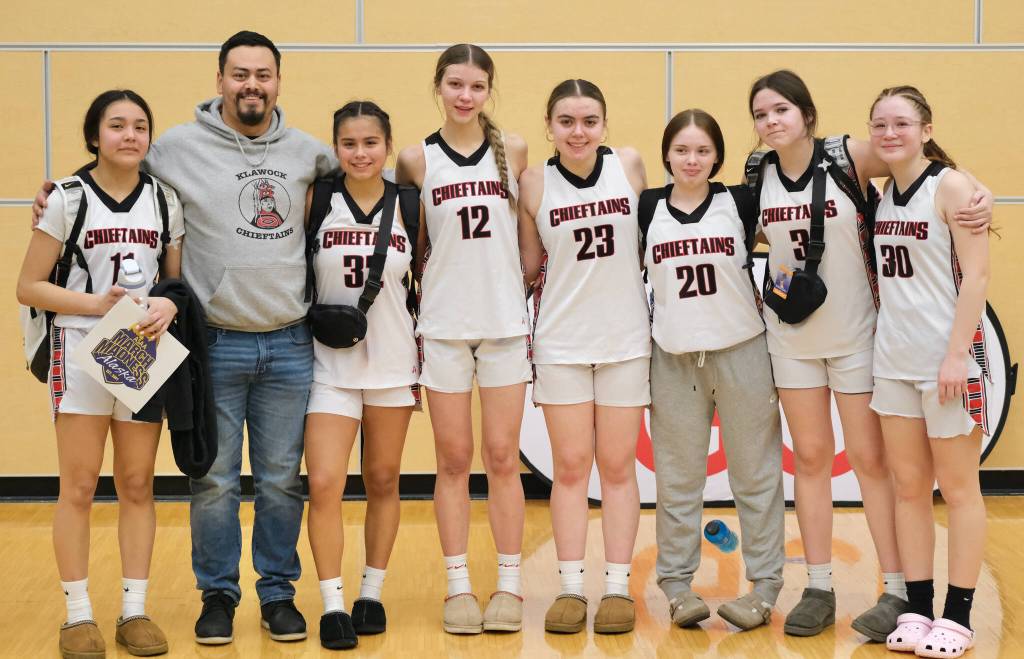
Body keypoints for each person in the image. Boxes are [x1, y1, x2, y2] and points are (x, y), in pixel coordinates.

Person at [33, 30, 336, 645]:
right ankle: (216, 595)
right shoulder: (173, 148)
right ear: (219, 79)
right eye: (239, 74)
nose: (252, 84)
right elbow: (107, 177)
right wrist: (52, 193)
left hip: (287, 342)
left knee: (281, 479)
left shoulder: (310, 153)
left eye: (263, 74)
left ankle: (277, 594)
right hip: (211, 344)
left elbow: (362, 185)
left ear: (278, 81)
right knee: (213, 480)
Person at [746, 70, 992, 640]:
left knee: (875, 465)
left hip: (862, 338)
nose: (771, 121)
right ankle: (820, 584)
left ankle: (900, 588)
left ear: (807, 113)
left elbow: (921, 163)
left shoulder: (849, 155)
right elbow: (756, 237)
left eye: (781, 109)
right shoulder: (756, 173)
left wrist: (974, 186)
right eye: (760, 114)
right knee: (810, 458)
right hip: (794, 337)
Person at [18, 89, 184, 659]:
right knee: (81, 485)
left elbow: (172, 283)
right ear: (95, 136)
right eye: (117, 125)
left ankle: (134, 610)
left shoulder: (165, 200)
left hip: (139, 349)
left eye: (141, 125)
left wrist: (169, 304)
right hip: (80, 346)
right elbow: (28, 286)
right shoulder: (66, 198)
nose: (130, 135)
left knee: (138, 483)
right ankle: (77, 613)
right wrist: (94, 306)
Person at [395, 43, 530, 635]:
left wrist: (513, 289)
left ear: (489, 91)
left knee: (502, 459)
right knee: (453, 461)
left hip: (504, 326)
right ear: (439, 87)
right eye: (455, 84)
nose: (465, 95)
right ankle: (457, 586)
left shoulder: (517, 151)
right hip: (445, 328)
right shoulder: (416, 159)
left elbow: (527, 238)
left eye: (476, 86)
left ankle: (509, 584)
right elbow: (412, 249)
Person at [641, 109, 785, 632]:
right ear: (667, 155)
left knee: (756, 475)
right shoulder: (649, 207)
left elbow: (797, 226)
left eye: (702, 151)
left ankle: (765, 586)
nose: (692, 160)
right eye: (682, 150)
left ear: (717, 157)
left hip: (742, 351)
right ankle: (678, 587)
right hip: (674, 358)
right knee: (679, 480)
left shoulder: (742, 203)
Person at [518, 79, 650, 635]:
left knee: (618, 470)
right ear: (549, 126)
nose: (578, 131)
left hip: (625, 341)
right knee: (570, 471)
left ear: (604, 124)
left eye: (589, 120)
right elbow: (528, 266)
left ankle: (617, 586)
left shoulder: (630, 164)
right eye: (567, 121)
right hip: (561, 342)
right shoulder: (532, 181)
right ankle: (571, 587)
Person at [866, 86, 990, 658]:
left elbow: (978, 276)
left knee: (960, 488)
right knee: (909, 487)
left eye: (901, 124)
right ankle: (917, 607)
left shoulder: (953, 187)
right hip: (893, 360)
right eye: (880, 125)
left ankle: (958, 614)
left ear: (925, 127)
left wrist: (957, 355)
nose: (890, 134)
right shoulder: (881, 193)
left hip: (947, 362)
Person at [304, 101, 419, 650]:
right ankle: (331, 602)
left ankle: (371, 591)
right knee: (325, 483)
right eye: (348, 143)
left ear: (388, 146)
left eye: (370, 142)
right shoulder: (319, 199)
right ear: (336, 148)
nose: (360, 153)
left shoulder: (411, 207)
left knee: (383, 480)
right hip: (330, 367)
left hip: (394, 365)